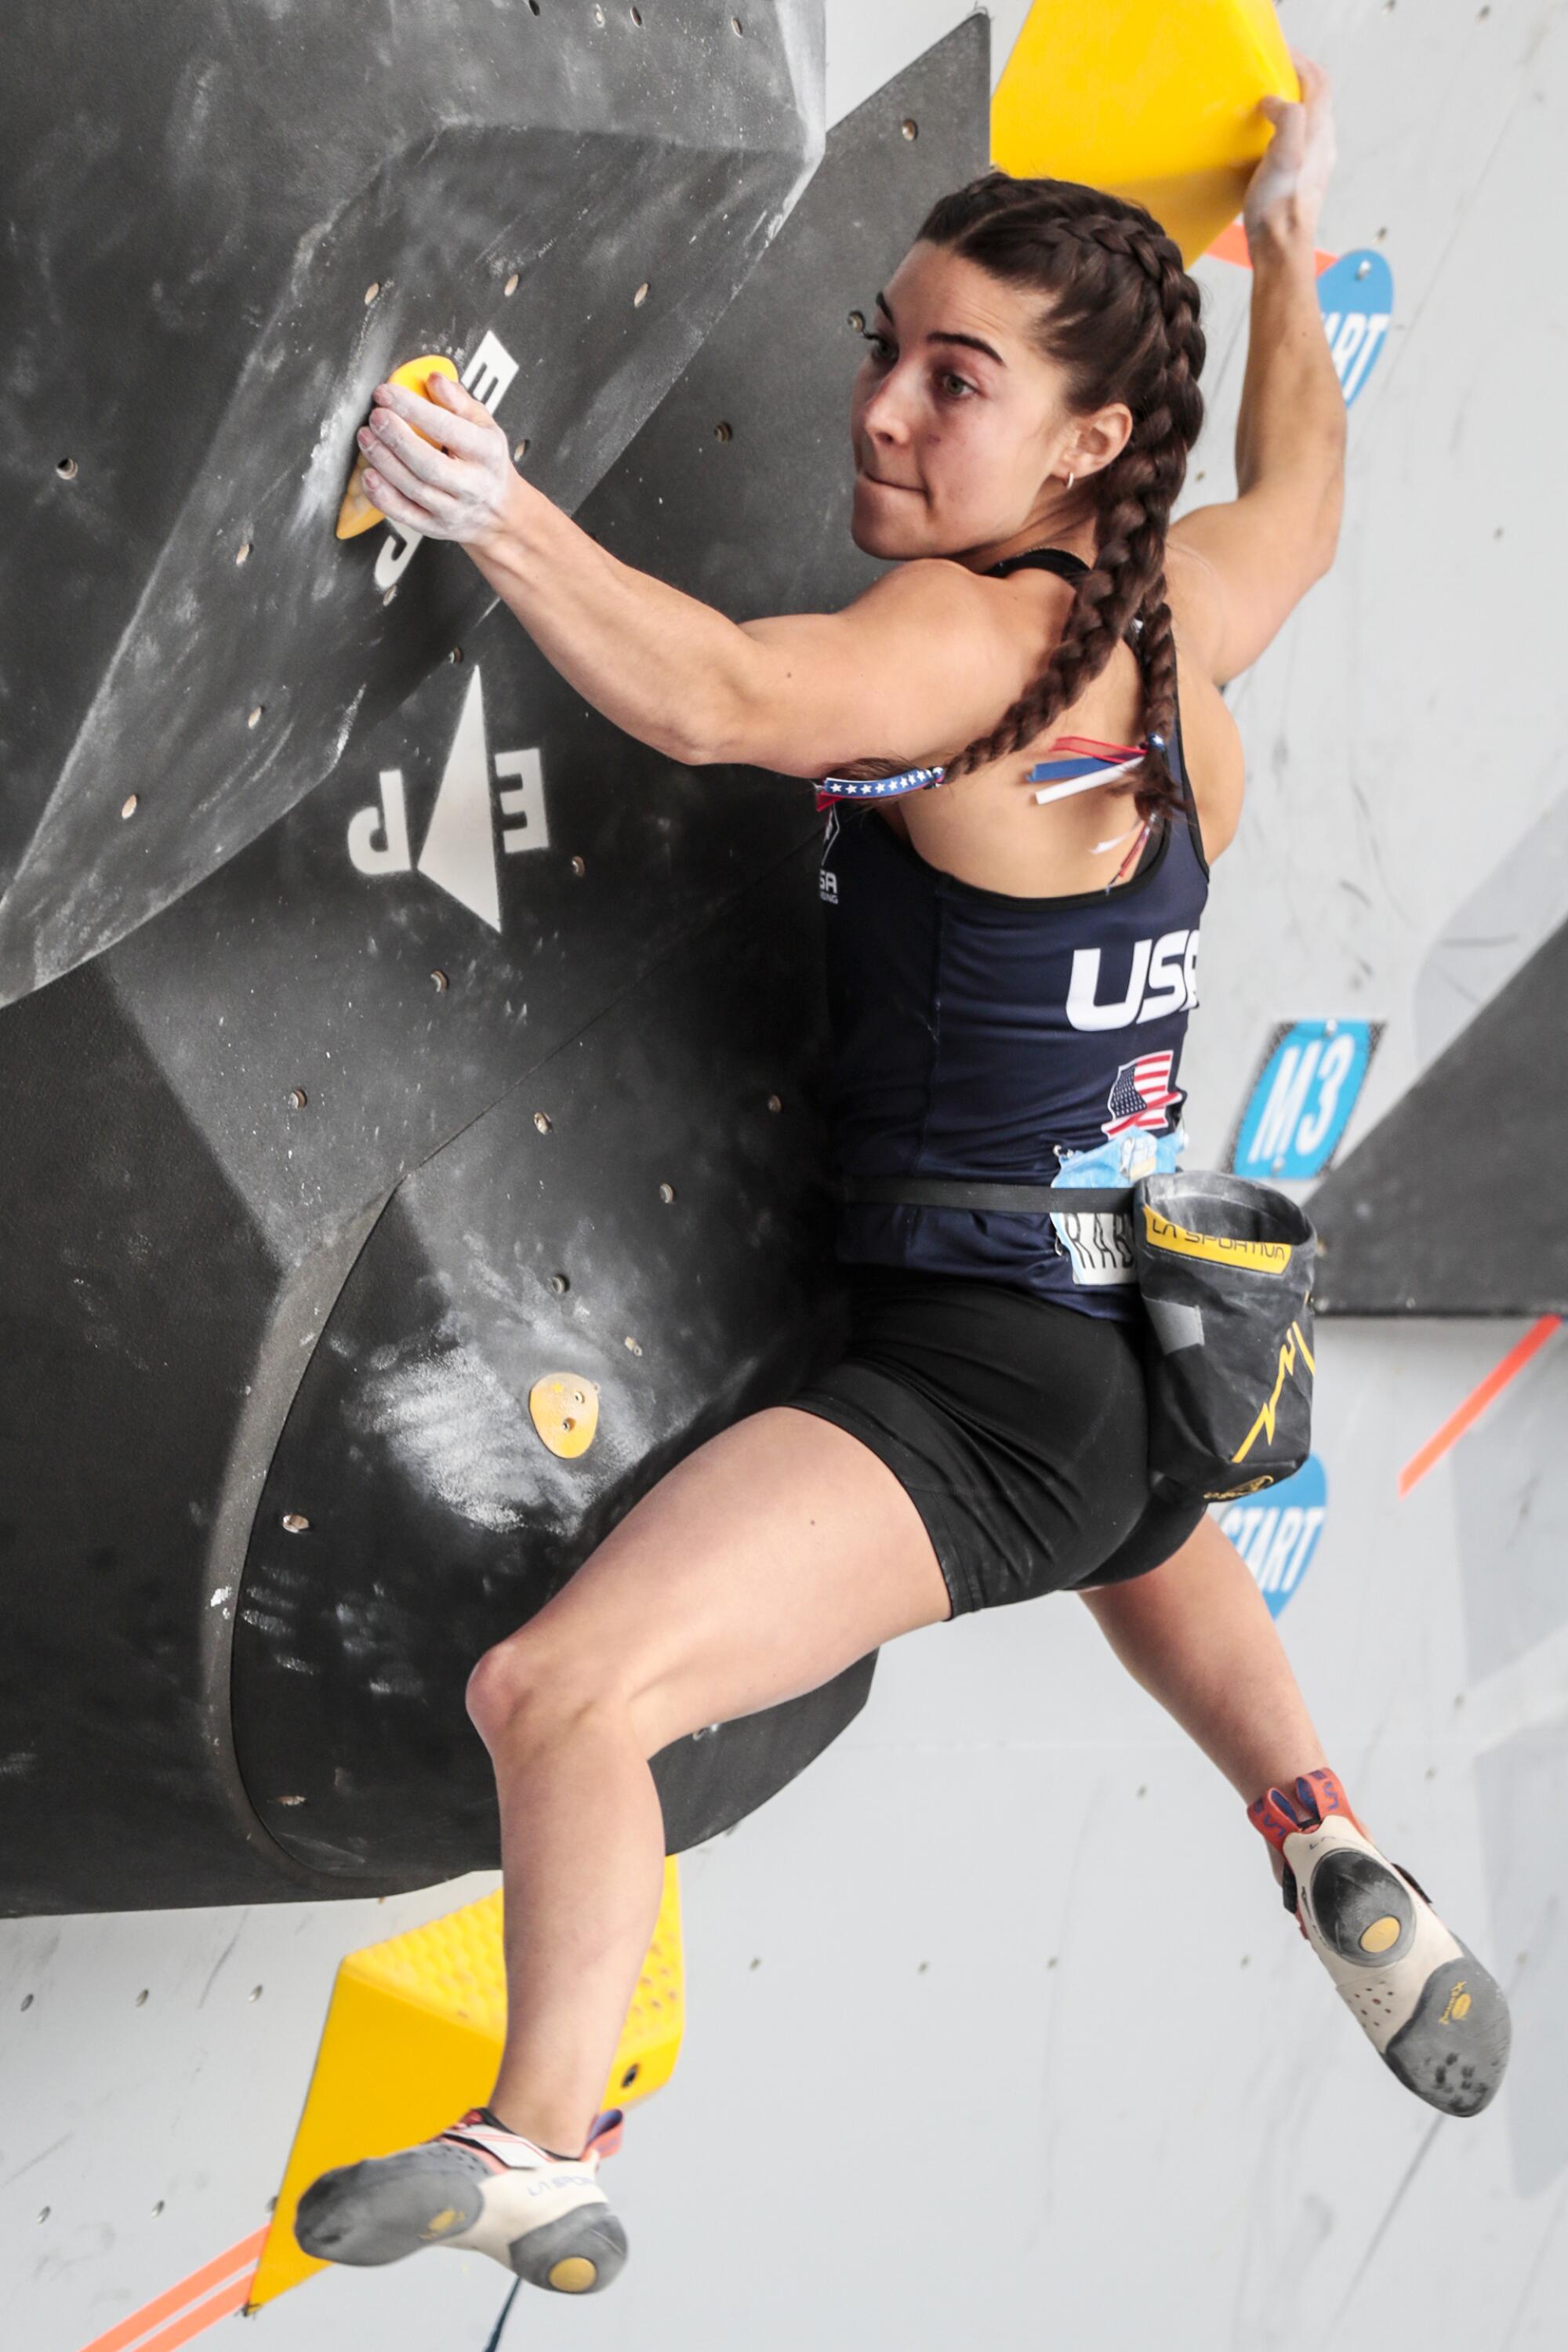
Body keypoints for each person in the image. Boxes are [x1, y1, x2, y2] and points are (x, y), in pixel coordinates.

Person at [296, 53, 1508, 2299]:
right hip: (1146, 1367)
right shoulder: (1183, 611)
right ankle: (1328, 1830)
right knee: (1127, 1523)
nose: (881, 411)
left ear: (1083, 449)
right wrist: (1290, 234)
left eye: (956, 382)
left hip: (1000, 1380)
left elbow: (729, 696)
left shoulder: (978, 641)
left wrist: (496, 505)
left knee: (559, 1699)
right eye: (885, 346)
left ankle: (544, 2141)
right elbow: (1310, 497)